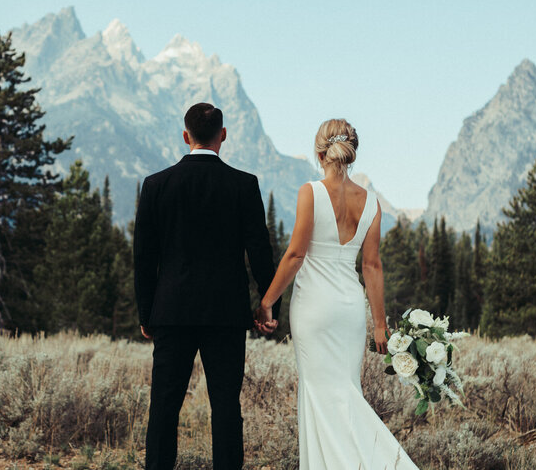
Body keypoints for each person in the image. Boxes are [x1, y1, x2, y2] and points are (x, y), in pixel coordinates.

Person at [255, 119, 419, 469]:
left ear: (320, 154)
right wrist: (379, 324)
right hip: (349, 312)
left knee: (320, 398)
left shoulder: (310, 192)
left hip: (314, 309)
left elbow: (296, 255)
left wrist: (267, 302)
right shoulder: (371, 202)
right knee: (346, 395)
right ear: (351, 154)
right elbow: (372, 266)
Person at [134, 102, 280, 470]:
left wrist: (146, 313)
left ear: (186, 137)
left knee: (164, 408)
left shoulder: (156, 185)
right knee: (227, 408)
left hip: (171, 311)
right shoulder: (244, 185)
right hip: (226, 313)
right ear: (223, 135)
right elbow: (259, 250)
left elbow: (143, 258)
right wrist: (268, 304)